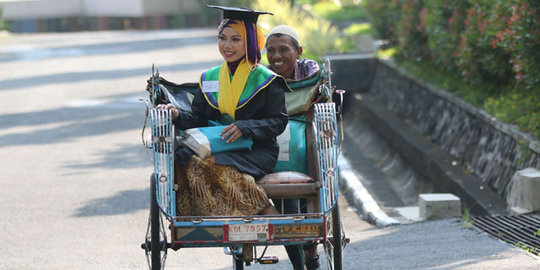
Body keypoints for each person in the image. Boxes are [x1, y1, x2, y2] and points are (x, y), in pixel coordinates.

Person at [155, 5, 288, 218]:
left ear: (251, 42)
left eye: (236, 39)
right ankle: (245, 213)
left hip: (256, 150)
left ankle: (265, 210)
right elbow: (199, 118)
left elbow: (278, 122)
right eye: (222, 37)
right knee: (184, 161)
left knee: (209, 165)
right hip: (217, 144)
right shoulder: (210, 78)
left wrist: (245, 128)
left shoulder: (267, 80)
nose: (227, 45)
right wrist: (177, 115)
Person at [266, 24, 321, 270]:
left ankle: (311, 254)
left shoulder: (310, 70)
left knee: (308, 200)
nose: (277, 57)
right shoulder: (263, 77)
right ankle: (301, 265)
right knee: (286, 207)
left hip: (304, 135)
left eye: (283, 50)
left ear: (298, 51)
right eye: (271, 51)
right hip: (274, 140)